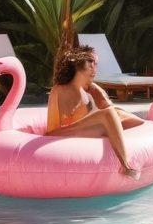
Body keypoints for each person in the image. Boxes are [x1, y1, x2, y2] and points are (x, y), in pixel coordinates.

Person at [46, 46, 143, 179]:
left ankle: (122, 158)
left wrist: (99, 95)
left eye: (95, 64)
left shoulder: (86, 90)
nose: (94, 69)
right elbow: (65, 122)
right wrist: (102, 115)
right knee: (107, 115)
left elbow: (135, 121)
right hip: (56, 136)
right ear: (78, 65)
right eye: (90, 63)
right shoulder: (61, 89)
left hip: (76, 133)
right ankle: (126, 165)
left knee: (122, 117)